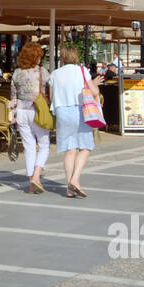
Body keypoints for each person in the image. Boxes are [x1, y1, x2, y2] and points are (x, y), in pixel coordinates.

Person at [49, 47, 100, 199]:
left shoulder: (55, 74)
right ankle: (75, 179)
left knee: (69, 150)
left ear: (63, 58)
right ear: (76, 57)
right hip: (79, 110)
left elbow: (51, 97)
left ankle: (70, 188)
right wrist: (95, 83)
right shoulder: (82, 71)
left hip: (61, 111)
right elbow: (94, 92)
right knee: (85, 147)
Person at [11, 41, 51, 194]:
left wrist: (12, 116)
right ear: (36, 57)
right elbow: (49, 89)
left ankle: (31, 180)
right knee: (44, 143)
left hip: (21, 111)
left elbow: (13, 96)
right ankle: (36, 175)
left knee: (29, 146)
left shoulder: (16, 73)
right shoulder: (42, 72)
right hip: (37, 110)